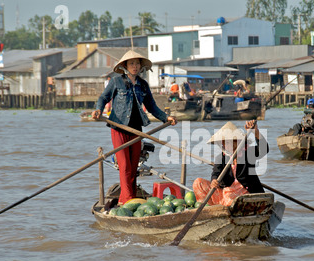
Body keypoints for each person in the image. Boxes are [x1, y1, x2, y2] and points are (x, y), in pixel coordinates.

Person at [92, 50, 177, 205]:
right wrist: (98, 109)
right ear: (125, 66)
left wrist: (166, 118)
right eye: (131, 63)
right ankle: (127, 201)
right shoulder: (116, 81)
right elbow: (104, 97)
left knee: (132, 168)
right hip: (119, 128)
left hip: (136, 130)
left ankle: (127, 198)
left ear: (140, 66)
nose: (135, 66)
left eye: (137, 63)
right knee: (124, 166)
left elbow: (152, 107)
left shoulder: (143, 85)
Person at [193, 120, 268, 206]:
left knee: (232, 201)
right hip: (226, 193)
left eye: (231, 142)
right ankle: (210, 210)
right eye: (225, 143)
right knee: (198, 183)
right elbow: (216, 172)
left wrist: (256, 132)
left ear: (237, 142)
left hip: (245, 194)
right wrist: (214, 180)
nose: (227, 145)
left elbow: (264, 149)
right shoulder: (221, 157)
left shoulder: (248, 153)